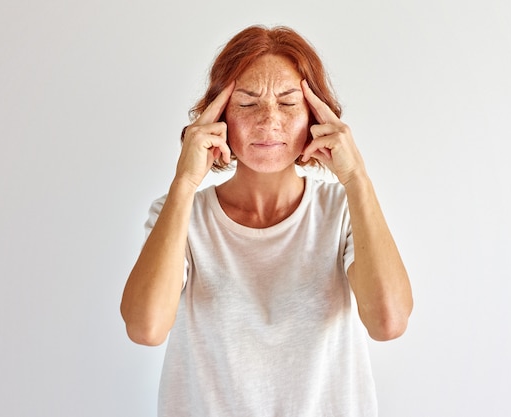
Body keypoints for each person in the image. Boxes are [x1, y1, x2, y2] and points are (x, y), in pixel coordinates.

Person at [121, 25, 413, 417]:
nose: (269, 119)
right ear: (219, 113)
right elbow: (146, 329)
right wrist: (185, 181)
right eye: (247, 103)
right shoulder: (180, 214)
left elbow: (388, 322)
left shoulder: (342, 209)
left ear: (314, 113)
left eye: (289, 102)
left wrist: (356, 177)